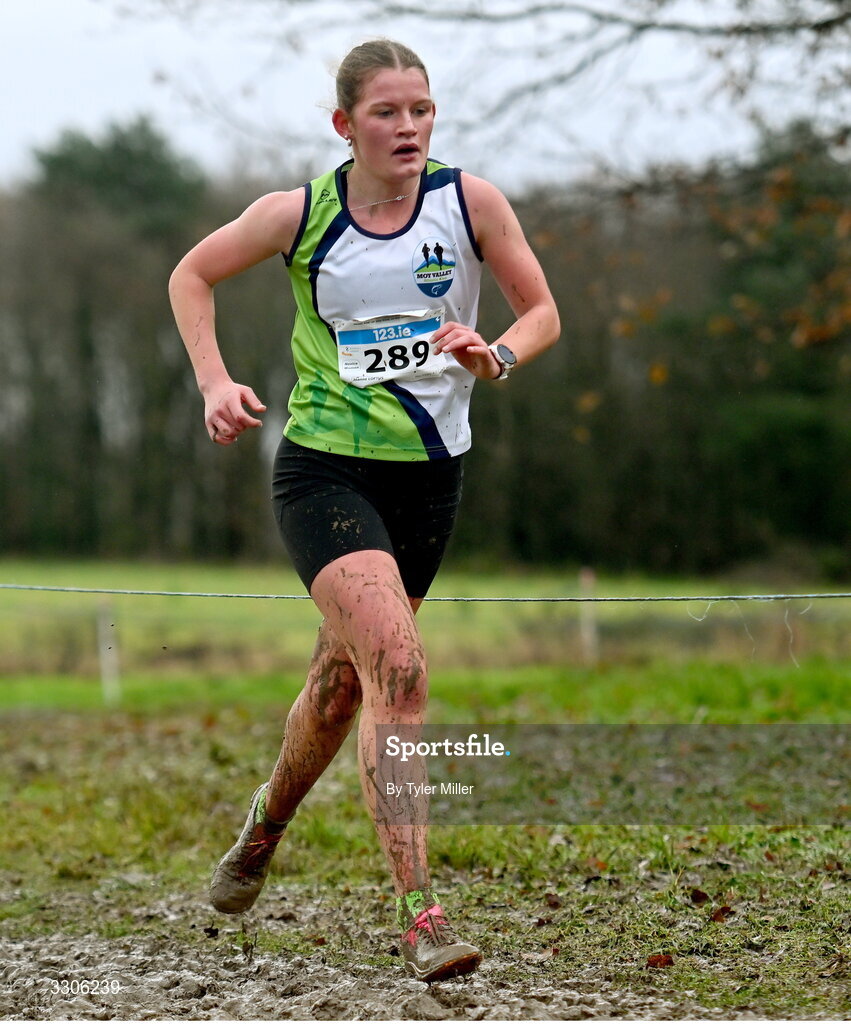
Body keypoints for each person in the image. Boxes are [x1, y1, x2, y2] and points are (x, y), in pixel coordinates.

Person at [169, 37, 559, 983]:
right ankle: (421, 915)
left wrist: (494, 355)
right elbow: (190, 274)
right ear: (345, 125)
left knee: (348, 687)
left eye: (420, 109)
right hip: (323, 474)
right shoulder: (298, 214)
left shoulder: (471, 204)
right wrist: (214, 383)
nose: (408, 127)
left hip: (428, 475)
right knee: (402, 666)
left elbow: (541, 311)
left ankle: (263, 827)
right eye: (386, 112)